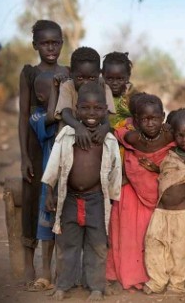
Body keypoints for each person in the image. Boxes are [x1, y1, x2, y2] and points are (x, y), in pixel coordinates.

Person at [42, 83, 122, 301]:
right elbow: (53, 166)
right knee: (68, 244)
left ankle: (96, 286)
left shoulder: (109, 140)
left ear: (106, 110)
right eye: (85, 108)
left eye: (97, 109)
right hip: (69, 199)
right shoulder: (67, 135)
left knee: (96, 244)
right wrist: (49, 192)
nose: (91, 113)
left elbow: (116, 170)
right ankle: (63, 285)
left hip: (97, 200)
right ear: (76, 109)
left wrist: (113, 199)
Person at [106, 94, 175, 291]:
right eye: (145, 119)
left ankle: (155, 275)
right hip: (132, 192)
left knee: (152, 235)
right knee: (129, 233)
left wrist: (156, 169)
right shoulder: (131, 136)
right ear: (136, 121)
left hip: (157, 193)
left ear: (163, 117)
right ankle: (129, 273)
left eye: (154, 118)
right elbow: (114, 132)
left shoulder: (171, 136)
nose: (150, 123)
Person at [18, 19, 69, 286]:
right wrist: (24, 156)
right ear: (35, 44)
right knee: (31, 201)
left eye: (55, 42)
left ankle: (56, 268)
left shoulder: (68, 72)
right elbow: (23, 116)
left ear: (62, 42)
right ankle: (30, 263)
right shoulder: (29, 74)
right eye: (45, 43)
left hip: (63, 144)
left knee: (57, 208)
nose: (51, 47)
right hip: (38, 146)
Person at [144, 109, 185, 294]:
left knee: (178, 251)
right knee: (153, 243)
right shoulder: (169, 154)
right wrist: (155, 168)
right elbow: (169, 175)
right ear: (174, 135)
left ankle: (176, 283)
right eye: (180, 135)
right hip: (161, 211)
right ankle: (157, 281)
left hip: (182, 214)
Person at [25, 71, 59, 291]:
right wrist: (57, 90)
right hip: (49, 179)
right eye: (54, 89)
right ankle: (45, 270)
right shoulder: (37, 116)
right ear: (40, 96)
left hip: (69, 182)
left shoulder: (72, 114)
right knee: (46, 228)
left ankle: (62, 273)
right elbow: (51, 117)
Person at [53, 46, 116, 147]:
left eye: (91, 78)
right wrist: (78, 127)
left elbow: (106, 116)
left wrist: (105, 127)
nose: (85, 82)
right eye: (80, 77)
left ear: (99, 74)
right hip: (70, 138)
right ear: (71, 74)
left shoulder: (104, 87)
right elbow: (66, 113)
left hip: (95, 136)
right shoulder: (67, 86)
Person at [102, 51, 138, 128]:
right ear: (102, 75)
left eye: (120, 79)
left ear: (128, 77)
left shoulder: (133, 95)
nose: (115, 83)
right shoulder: (98, 93)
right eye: (110, 78)